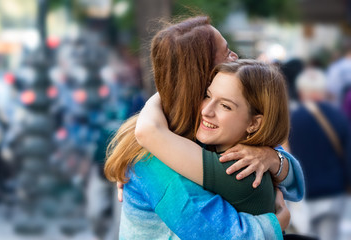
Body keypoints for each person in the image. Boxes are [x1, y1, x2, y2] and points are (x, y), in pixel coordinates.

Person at [104, 16, 304, 239]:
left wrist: (272, 159)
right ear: (200, 78)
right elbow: (222, 234)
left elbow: (294, 182)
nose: (235, 57)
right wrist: (276, 224)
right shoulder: (157, 160)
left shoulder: (210, 129)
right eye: (227, 53)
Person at [135, 59, 290, 215]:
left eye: (225, 105)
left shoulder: (239, 170)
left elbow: (148, 132)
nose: (206, 111)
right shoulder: (230, 154)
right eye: (207, 96)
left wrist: (165, 93)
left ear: (254, 123)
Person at [288, 66, 351, 240]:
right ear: (323, 91)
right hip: (333, 192)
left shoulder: (292, 119)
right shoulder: (337, 116)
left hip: (303, 196)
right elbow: (348, 157)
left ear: (301, 92)